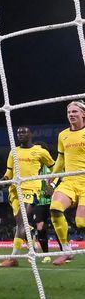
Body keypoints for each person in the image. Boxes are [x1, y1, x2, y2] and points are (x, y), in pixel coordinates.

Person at [0, 128, 55, 267]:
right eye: (18, 133)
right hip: (14, 191)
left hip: (31, 189)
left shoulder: (40, 151)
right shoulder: (14, 151)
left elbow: (55, 168)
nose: (20, 135)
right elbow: (9, 171)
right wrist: (5, 179)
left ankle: (13, 257)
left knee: (21, 222)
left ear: (30, 134)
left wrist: (51, 184)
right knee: (21, 223)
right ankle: (32, 245)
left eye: (24, 132)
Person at [50, 100, 85, 265]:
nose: (71, 114)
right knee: (55, 208)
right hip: (69, 181)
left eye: (75, 111)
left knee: (81, 223)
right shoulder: (62, 135)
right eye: (69, 112)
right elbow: (61, 158)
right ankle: (67, 250)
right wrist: (53, 176)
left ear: (83, 114)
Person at [33, 142, 58, 263]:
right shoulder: (33, 167)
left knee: (57, 225)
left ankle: (65, 252)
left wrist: (52, 186)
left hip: (53, 200)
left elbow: (59, 175)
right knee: (40, 226)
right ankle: (46, 254)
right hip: (40, 201)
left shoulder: (52, 165)